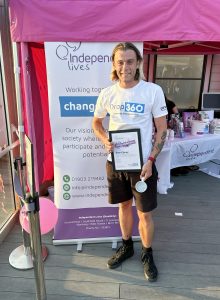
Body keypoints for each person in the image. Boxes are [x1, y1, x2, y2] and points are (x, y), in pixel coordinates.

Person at [92, 42, 167, 282]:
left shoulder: (152, 91)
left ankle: (147, 253)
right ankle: (126, 246)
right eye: (120, 62)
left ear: (138, 64)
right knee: (123, 207)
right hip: (115, 163)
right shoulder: (107, 93)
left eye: (130, 61)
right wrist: (105, 139)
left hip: (143, 165)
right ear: (114, 65)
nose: (125, 66)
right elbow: (96, 122)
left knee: (144, 213)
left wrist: (151, 159)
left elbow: (162, 128)